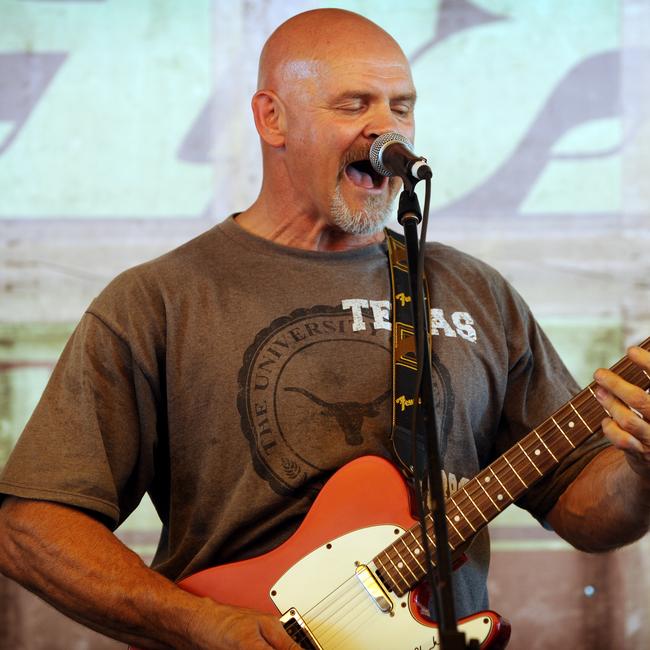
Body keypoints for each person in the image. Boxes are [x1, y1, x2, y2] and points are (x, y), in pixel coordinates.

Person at [0, 8, 649, 650]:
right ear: (271, 118)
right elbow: (30, 528)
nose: (387, 130)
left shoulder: (475, 293)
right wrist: (203, 624)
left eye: (402, 105)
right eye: (354, 104)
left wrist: (642, 468)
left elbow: (585, 511)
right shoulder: (160, 299)